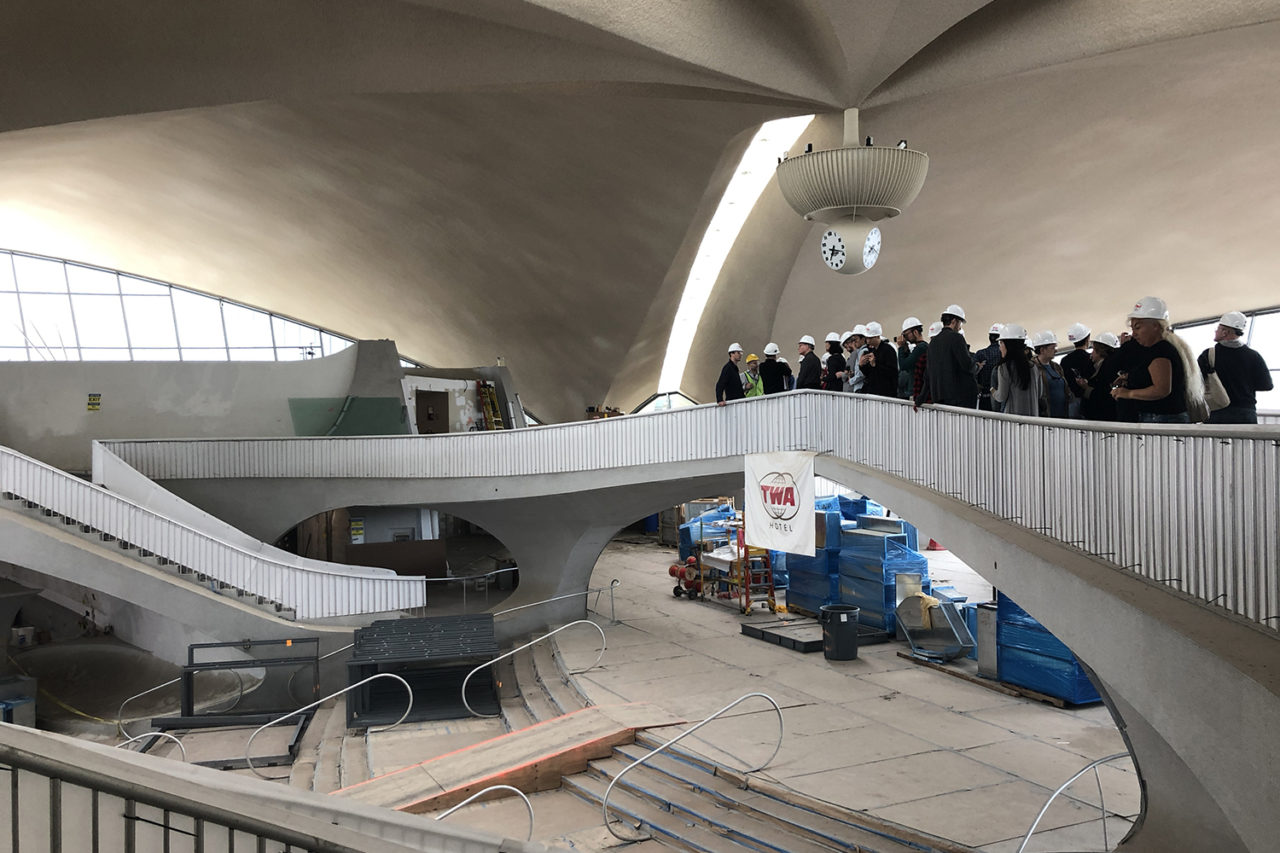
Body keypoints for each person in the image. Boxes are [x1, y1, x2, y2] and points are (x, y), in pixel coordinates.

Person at [1112, 296, 1203, 424]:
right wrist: (1129, 377)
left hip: (1162, 418)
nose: (1134, 334)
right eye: (1133, 329)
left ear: (1155, 326)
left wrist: (1128, 393)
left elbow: (1161, 389)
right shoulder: (1157, 349)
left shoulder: (1160, 351)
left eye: (1137, 328)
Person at [1197, 311, 1273, 424]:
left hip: (1217, 413)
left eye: (1218, 328)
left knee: (1218, 442)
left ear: (1224, 332)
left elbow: (1196, 382)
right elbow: (1266, 385)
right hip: (1246, 414)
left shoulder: (1209, 355)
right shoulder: (1254, 356)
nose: (1215, 331)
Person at [917, 304, 978, 408]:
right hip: (960, 398)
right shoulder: (956, 338)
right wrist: (976, 366)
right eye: (960, 324)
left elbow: (928, 374)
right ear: (954, 321)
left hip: (939, 398)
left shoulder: (933, 343)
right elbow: (967, 365)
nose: (959, 328)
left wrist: (921, 397)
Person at [991, 324, 1040, 416]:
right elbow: (1040, 393)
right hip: (1033, 420)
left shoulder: (1004, 367)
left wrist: (993, 390)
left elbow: (1001, 397)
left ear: (1008, 345)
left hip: (1014, 421)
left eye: (1001, 343)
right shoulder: (1033, 367)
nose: (999, 347)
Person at [1080, 331, 1122, 422]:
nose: (1091, 354)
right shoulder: (1100, 367)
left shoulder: (1107, 370)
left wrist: (1086, 388)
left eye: (1094, 350)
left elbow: (1103, 395)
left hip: (1103, 417)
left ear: (1101, 351)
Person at [1031, 330, 1069, 418]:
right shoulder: (1033, 368)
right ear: (1042, 350)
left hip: (1062, 415)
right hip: (1046, 417)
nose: (1056, 350)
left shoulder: (1057, 367)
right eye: (1053, 348)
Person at [1061, 322, 1094, 419]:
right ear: (1087, 339)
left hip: (1070, 403)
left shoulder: (1065, 360)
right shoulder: (1090, 359)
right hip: (1088, 402)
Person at [857, 321, 898, 397]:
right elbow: (869, 374)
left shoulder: (888, 350)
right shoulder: (872, 351)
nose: (868, 341)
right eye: (867, 338)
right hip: (874, 392)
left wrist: (875, 364)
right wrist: (861, 365)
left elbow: (892, 372)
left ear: (877, 337)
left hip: (886, 393)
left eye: (870, 338)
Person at [896, 317, 926, 399]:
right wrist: (905, 350)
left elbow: (903, 366)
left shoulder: (921, 348)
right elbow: (909, 366)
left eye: (906, 334)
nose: (905, 338)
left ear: (915, 332)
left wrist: (901, 348)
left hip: (917, 391)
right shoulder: (920, 347)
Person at [975, 323, 1002, 411]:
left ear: (989, 337)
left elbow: (974, 374)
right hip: (1000, 398)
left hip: (984, 398)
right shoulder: (1004, 354)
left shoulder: (980, 354)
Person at [844, 325, 869, 393]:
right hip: (858, 387)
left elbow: (862, 373)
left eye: (856, 339)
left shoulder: (863, 351)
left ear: (863, 339)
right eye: (853, 340)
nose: (854, 342)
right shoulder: (860, 351)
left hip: (861, 387)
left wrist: (851, 380)